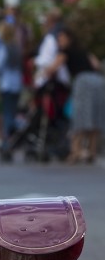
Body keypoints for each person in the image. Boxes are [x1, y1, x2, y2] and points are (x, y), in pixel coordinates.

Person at [45, 26, 105, 163]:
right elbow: (96, 65)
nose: (59, 41)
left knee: (80, 116)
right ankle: (91, 152)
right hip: (97, 81)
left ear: (68, 38)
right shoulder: (84, 50)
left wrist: (42, 72)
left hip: (82, 82)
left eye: (61, 38)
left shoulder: (65, 51)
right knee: (94, 116)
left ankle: (75, 152)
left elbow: (53, 68)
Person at [0, 18, 24, 156]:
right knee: (13, 112)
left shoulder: (4, 46)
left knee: (6, 114)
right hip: (16, 83)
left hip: (5, 83)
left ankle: (7, 143)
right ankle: (13, 140)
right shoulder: (17, 47)